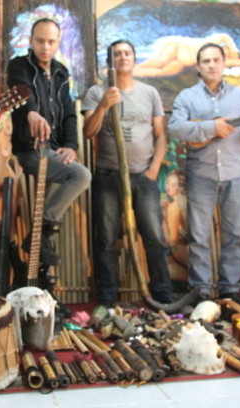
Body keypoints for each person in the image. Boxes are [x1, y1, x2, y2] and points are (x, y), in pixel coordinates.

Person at [168, 43, 240, 306]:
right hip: (201, 173)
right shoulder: (187, 97)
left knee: (235, 234)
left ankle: (229, 290)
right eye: (206, 61)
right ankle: (200, 290)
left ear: (223, 64)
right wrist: (211, 128)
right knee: (198, 235)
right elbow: (175, 128)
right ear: (198, 67)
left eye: (216, 60)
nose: (211, 65)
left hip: (236, 174)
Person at [82, 39, 173, 306]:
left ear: (134, 59)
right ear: (109, 61)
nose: (122, 57)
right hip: (109, 175)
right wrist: (103, 105)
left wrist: (153, 170)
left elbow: (161, 136)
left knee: (154, 237)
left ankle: (162, 295)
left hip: (143, 176)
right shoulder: (96, 92)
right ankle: (108, 298)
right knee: (106, 239)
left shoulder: (149, 93)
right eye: (117, 54)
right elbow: (88, 132)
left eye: (127, 53)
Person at [6, 18, 91, 267]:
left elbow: (69, 114)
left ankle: (39, 240)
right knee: (82, 175)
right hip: (31, 149)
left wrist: (71, 146)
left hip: (54, 150)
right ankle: (40, 234)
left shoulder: (61, 72)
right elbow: (21, 90)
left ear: (58, 42)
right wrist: (31, 112)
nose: (45, 47)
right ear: (31, 41)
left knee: (78, 175)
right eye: (40, 41)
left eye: (51, 41)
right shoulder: (19, 65)